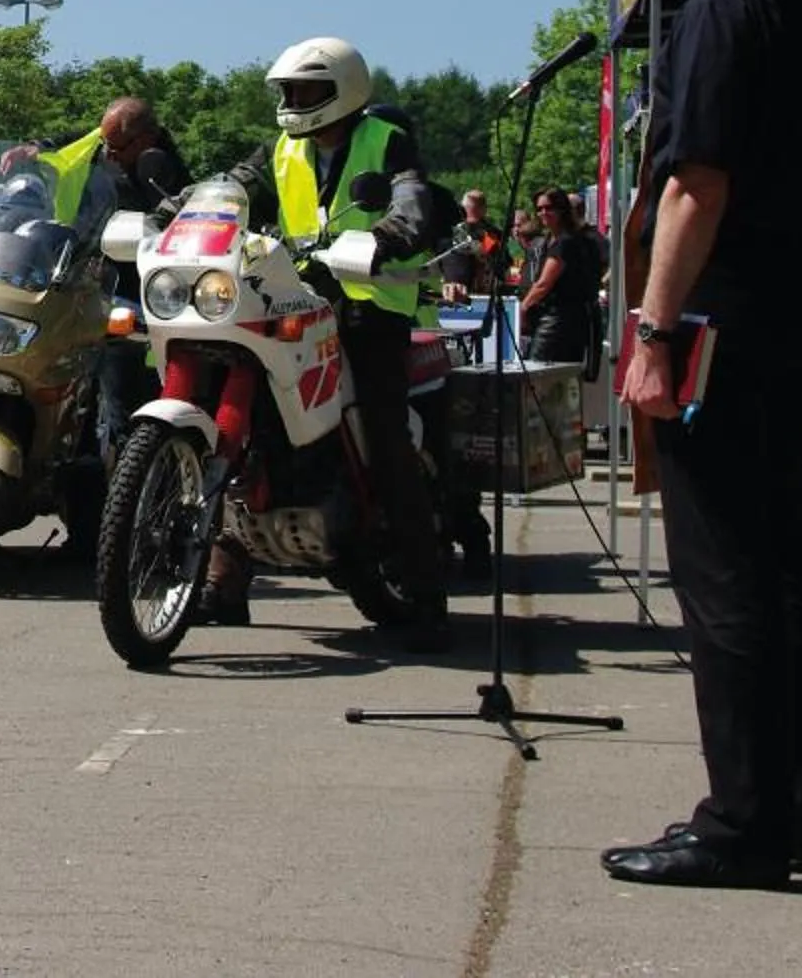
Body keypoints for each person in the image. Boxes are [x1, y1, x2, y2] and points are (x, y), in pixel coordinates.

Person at [606, 0, 802, 890]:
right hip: (793, 291)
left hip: (728, 306)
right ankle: (784, 809)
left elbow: (696, 183)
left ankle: (739, 820)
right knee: (788, 568)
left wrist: (653, 328)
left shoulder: (722, 7)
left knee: (729, 574)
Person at [220, 36, 452, 648]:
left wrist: (392, 234)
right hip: (299, 300)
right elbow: (235, 187)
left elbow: (412, 197)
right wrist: (188, 206)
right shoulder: (284, 149)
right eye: (289, 91)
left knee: (385, 437)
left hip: (369, 307)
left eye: (306, 91)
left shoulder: (385, 139)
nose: (294, 102)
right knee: (249, 423)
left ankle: (428, 600)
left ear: (343, 91)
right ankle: (221, 576)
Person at [93, 98, 187, 453]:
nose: (108, 154)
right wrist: (37, 147)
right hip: (106, 282)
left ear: (145, 139)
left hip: (141, 295)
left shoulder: (159, 168)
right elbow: (81, 140)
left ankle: (118, 470)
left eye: (115, 147)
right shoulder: (118, 147)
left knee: (122, 392)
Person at [516, 190, 602, 367]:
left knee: (538, 372)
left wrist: (523, 309)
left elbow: (544, 284)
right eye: (539, 209)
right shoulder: (554, 239)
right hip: (566, 320)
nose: (543, 213)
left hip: (558, 322)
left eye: (549, 208)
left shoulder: (565, 241)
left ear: (562, 209)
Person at [435, 189, 504, 305]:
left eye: (476, 209)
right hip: (452, 292)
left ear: (483, 211)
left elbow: (502, 263)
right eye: (468, 209)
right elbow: (446, 255)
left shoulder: (494, 235)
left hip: (484, 295)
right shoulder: (449, 231)